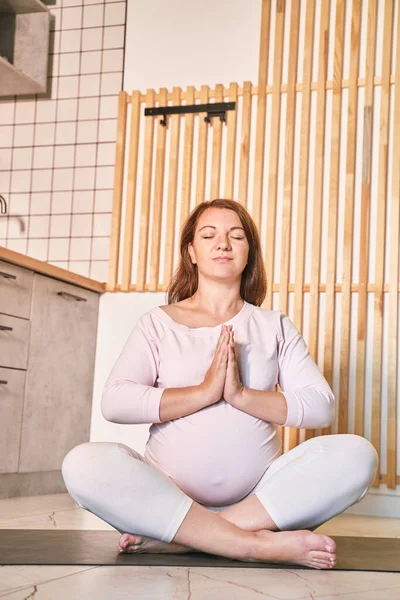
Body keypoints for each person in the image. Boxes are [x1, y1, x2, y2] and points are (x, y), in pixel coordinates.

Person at [62, 198, 378, 569]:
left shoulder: (273, 325)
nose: (222, 244)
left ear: (249, 253)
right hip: (164, 498)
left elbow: (321, 406)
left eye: (236, 236)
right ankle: (254, 546)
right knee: (82, 463)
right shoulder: (158, 323)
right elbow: (115, 402)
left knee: (358, 455)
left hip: (260, 503)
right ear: (191, 252)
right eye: (208, 235)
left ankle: (187, 540)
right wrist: (204, 392)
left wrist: (240, 395)